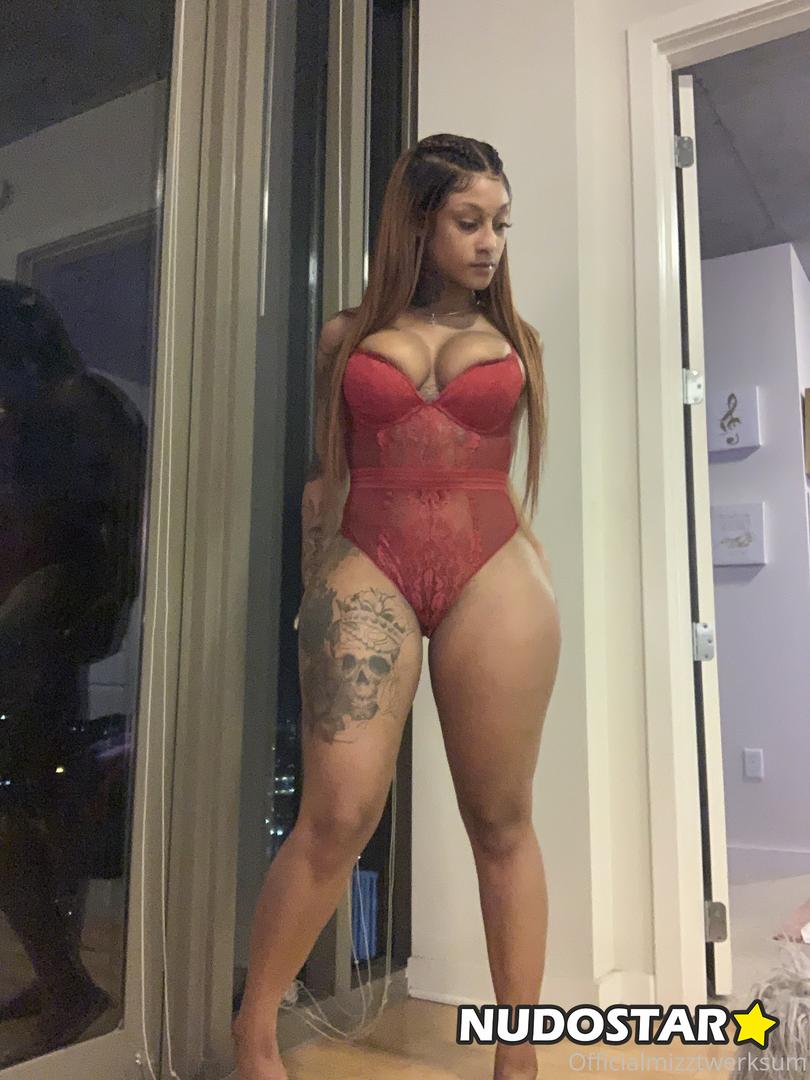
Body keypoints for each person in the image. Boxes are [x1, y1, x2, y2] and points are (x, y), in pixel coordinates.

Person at [232, 133, 561, 1080]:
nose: (491, 242)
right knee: (336, 814)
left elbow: (512, 474)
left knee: (501, 819)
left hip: (493, 568)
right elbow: (323, 481)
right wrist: (311, 585)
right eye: (469, 221)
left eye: (500, 223)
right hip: (366, 560)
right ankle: (254, 1032)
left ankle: (519, 1055)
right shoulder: (345, 336)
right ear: (417, 221)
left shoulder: (519, 340)